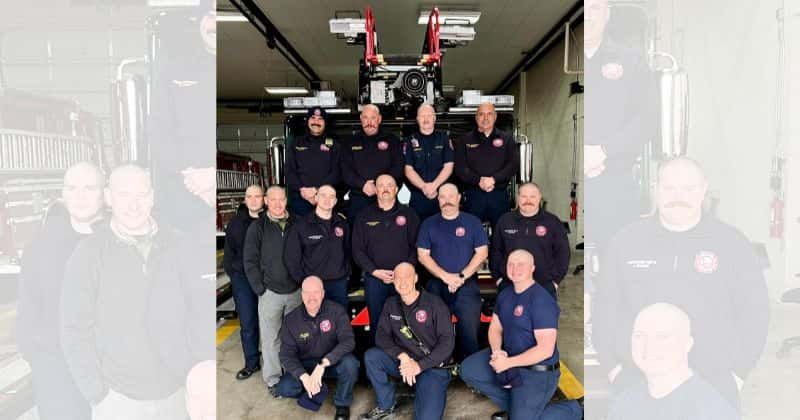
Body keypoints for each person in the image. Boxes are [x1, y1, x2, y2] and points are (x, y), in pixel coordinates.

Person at [593, 157, 769, 410]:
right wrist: (612, 367)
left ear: (703, 190)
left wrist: (738, 373)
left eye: (688, 189)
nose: (679, 197)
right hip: (638, 381)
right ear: (656, 189)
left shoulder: (731, 243)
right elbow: (605, 307)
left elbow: (756, 311)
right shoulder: (627, 241)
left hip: (713, 380)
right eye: (669, 188)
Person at [60, 164, 188, 419]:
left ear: (152, 197)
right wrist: (96, 392)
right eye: (124, 195)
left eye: (141, 195)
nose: (134, 205)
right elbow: (73, 328)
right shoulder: (89, 254)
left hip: (177, 394)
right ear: (109, 197)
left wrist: (193, 374)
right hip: (118, 400)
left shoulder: (179, 244)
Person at [16, 162, 104, 420]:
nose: (80, 196)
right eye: (72, 188)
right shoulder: (41, 245)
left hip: (109, 370)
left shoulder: (115, 241)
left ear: (103, 194)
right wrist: (38, 358)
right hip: (56, 372)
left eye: (89, 188)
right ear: (63, 194)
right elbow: (28, 306)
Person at [460, 250, 583, 420]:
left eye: (521, 264)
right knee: (469, 369)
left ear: (532, 268)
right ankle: (518, 406)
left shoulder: (542, 300)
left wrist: (508, 363)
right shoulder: (505, 294)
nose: (515, 268)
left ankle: (576, 408)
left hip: (537, 372)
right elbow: (495, 328)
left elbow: (545, 350)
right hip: (510, 358)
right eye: (511, 264)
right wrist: (497, 351)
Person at [606, 303, 739, 420]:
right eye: (640, 336)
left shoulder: (711, 411)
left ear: (688, 344)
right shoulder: (624, 403)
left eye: (662, 337)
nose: (649, 347)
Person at [360, 263, 455, 420]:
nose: (402, 282)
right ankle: (386, 404)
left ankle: (424, 389)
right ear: (393, 281)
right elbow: (381, 336)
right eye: (398, 278)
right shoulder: (391, 304)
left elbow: (447, 344)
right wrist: (402, 356)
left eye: (407, 277)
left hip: (431, 367)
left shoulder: (435, 304)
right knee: (372, 357)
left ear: (416, 278)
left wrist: (419, 366)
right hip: (404, 363)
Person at [417, 183, 488, 359]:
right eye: (442, 197)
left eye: (451, 196)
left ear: (458, 198)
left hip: (467, 284)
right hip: (436, 285)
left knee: (470, 331)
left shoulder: (472, 222)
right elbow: (422, 255)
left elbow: (482, 253)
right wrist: (446, 277)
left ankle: (470, 371)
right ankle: (439, 367)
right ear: (438, 199)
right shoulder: (429, 224)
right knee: (434, 330)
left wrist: (461, 276)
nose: (447, 200)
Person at [243, 185, 302, 393]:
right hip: (271, 293)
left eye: (282, 199)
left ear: (287, 200)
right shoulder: (258, 227)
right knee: (271, 339)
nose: (278, 204)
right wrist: (261, 289)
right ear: (266, 201)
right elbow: (249, 261)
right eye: (273, 200)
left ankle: (293, 375)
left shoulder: (298, 223)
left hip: (296, 292)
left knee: (294, 337)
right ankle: (273, 379)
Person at [276, 276, 360, 420]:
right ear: (301, 295)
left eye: (315, 292)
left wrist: (323, 364)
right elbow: (286, 354)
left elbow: (348, 341)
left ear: (322, 293)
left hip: (330, 363)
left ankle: (342, 403)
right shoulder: (291, 320)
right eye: (307, 293)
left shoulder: (336, 311)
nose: (311, 297)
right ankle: (314, 388)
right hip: (306, 365)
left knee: (351, 364)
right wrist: (303, 376)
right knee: (284, 388)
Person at [352, 174, 420, 343]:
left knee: (408, 324)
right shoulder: (363, 216)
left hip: (404, 279)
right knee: (378, 324)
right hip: (375, 280)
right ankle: (380, 363)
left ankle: (408, 363)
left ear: (396, 189)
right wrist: (374, 271)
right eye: (381, 185)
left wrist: (403, 271)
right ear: (375, 189)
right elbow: (357, 250)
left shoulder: (409, 214)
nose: (385, 188)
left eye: (390, 185)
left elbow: (417, 247)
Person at [491, 183, 570, 297]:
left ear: (539, 198)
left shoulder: (553, 222)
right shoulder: (505, 220)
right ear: (517, 198)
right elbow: (495, 251)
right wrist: (498, 279)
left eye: (532, 196)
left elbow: (563, 253)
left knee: (543, 315)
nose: (528, 200)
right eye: (523, 196)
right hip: (509, 285)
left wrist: (555, 282)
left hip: (544, 286)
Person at [284, 185, 351, 308]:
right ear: (316, 198)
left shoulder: (342, 224)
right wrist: (303, 281)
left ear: (336, 201)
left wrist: (345, 274)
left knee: (339, 323)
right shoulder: (301, 225)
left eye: (331, 196)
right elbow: (291, 257)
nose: (327, 199)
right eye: (323, 195)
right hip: (313, 286)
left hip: (338, 285)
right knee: (312, 324)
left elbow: (347, 251)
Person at [453, 102, 518, 228]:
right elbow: (460, 168)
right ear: (476, 117)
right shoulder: (465, 140)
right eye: (481, 114)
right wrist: (479, 180)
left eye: (489, 114)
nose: (485, 118)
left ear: (495, 116)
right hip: (473, 196)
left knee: (502, 234)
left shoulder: (507, 139)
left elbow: (513, 165)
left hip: (499, 195)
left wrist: (494, 180)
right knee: (470, 233)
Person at [223, 184, 264, 380]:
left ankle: (280, 361)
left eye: (258, 196)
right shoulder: (235, 224)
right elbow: (229, 255)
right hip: (244, 281)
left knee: (273, 322)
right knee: (248, 322)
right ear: (245, 200)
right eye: (250, 197)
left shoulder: (271, 220)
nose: (254, 200)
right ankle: (251, 363)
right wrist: (236, 277)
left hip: (267, 278)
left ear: (263, 199)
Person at [341, 104, 404, 222]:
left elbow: (398, 167)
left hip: (386, 199)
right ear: (361, 119)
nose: (369, 122)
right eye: (365, 118)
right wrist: (363, 184)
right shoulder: (350, 142)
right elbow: (345, 170)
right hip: (358, 199)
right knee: (357, 236)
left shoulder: (392, 140)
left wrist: (379, 186)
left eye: (373, 118)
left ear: (379, 119)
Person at [285, 106, 342, 216]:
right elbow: (289, 171)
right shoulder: (296, 143)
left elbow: (337, 173)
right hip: (300, 199)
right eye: (313, 118)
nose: (316, 122)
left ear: (325, 122)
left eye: (320, 119)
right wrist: (303, 190)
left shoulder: (335, 145)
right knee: (300, 231)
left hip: (326, 199)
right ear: (308, 120)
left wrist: (317, 190)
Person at [403, 103, 455, 220]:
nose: (425, 119)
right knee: (417, 232)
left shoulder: (444, 139)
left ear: (434, 118)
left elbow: (449, 166)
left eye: (429, 115)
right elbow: (408, 170)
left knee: (442, 232)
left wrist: (434, 186)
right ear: (417, 119)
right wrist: (424, 187)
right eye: (422, 116)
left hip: (441, 196)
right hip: (418, 197)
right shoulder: (410, 141)